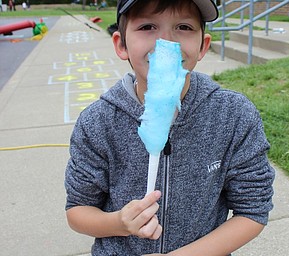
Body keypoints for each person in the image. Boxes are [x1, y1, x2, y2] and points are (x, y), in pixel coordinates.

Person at [64, 0, 275, 255]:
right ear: (121, 45)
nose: (166, 42)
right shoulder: (98, 122)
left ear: (202, 46)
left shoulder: (234, 116)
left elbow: (253, 210)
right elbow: (77, 211)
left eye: (184, 26)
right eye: (147, 26)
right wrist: (119, 222)